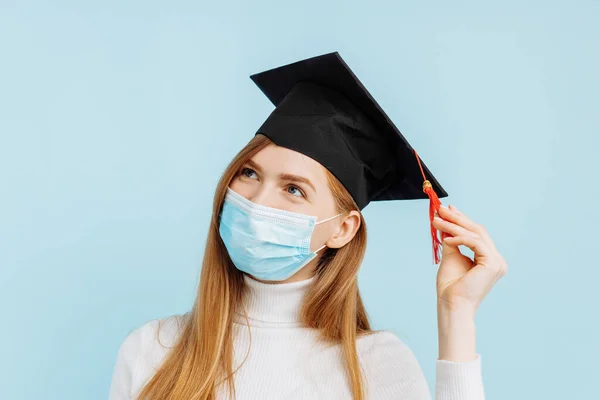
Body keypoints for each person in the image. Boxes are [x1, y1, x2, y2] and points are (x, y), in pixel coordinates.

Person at [108, 52, 507, 400]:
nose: (258, 200)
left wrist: (457, 315)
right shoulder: (152, 349)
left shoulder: (376, 366)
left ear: (343, 229)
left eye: (294, 190)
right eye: (249, 173)